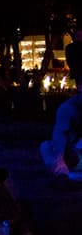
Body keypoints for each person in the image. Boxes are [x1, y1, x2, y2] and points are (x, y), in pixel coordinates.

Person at [41, 42, 82, 180]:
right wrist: (60, 159)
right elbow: (60, 134)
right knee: (46, 147)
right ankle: (61, 171)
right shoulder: (68, 108)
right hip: (74, 154)